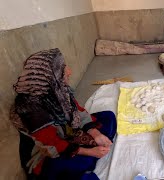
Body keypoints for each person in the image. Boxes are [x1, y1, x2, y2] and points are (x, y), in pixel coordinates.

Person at [10, 48, 117, 180]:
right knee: (83, 167)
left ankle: (90, 157)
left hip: (68, 135)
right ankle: (87, 161)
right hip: (47, 156)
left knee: (108, 117)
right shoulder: (30, 107)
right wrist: (89, 151)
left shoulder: (57, 90)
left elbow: (78, 111)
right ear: (48, 74)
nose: (69, 72)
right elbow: (51, 144)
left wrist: (95, 133)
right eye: (63, 68)